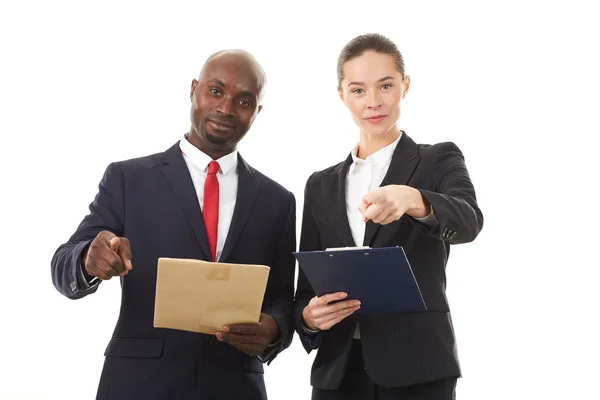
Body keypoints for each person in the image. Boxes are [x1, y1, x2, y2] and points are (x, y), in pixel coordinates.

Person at [51, 49, 296, 400]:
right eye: (215, 91)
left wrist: (273, 328)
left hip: (235, 386)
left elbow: (282, 298)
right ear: (193, 89)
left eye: (243, 101)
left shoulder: (278, 201)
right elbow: (63, 265)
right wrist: (87, 260)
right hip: (140, 384)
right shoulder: (128, 179)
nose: (226, 109)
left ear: (257, 113)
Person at [293, 33, 484, 399]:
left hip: (419, 365)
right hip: (337, 371)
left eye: (385, 85)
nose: (374, 102)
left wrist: (413, 199)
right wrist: (308, 318)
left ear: (405, 86)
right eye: (359, 90)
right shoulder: (320, 185)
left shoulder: (437, 159)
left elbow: (469, 221)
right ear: (342, 96)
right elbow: (306, 290)